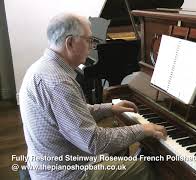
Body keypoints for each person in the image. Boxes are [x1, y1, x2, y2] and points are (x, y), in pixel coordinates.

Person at [19, 13, 167, 180]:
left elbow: (72, 112)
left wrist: (109, 108)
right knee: (146, 167)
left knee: (121, 147)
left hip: (53, 163)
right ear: (70, 43)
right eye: (89, 40)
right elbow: (94, 142)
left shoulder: (42, 68)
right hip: (66, 174)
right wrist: (142, 129)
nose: (92, 47)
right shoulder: (58, 83)